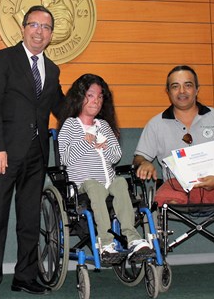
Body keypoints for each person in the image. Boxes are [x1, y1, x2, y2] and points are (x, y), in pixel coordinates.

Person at [0, 5, 64, 299]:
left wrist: (91, 100)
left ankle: (25, 277)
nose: (39, 31)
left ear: (51, 35)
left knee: (28, 219)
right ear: (24, 28)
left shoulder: (52, 69)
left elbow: (62, 109)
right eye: (34, 25)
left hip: (36, 155)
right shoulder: (2, 59)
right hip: (3, 152)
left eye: (46, 27)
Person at [57, 74, 153, 263]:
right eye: (91, 95)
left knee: (120, 183)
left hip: (108, 180)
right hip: (82, 184)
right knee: (95, 186)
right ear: (79, 97)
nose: (96, 101)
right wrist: (86, 143)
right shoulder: (70, 125)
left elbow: (116, 156)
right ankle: (105, 242)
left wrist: (105, 146)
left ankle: (132, 239)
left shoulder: (104, 126)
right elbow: (65, 158)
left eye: (100, 97)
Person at [133, 65, 214, 205]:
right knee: (162, 199)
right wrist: (144, 163)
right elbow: (139, 157)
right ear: (168, 91)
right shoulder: (156, 124)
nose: (182, 91)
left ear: (197, 89)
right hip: (176, 187)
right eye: (175, 86)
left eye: (188, 85)